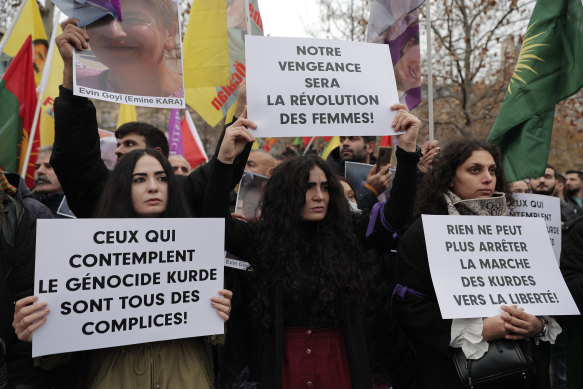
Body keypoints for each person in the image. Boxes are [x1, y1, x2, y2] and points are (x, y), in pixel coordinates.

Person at [203, 105, 421, 388]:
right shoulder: (263, 239)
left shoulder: (350, 231)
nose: (319, 196)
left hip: (339, 364)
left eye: (325, 187)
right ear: (286, 193)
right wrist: (224, 160)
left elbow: (396, 216)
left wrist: (407, 151)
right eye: (308, 187)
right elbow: (213, 225)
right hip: (282, 367)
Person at [12, 149, 232, 388]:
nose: (153, 187)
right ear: (121, 188)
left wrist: (218, 317)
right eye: (139, 179)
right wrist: (38, 332)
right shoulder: (82, 255)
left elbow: (218, 339)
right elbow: (56, 357)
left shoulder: (199, 248)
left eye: (162, 178)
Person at [393, 138, 560, 389]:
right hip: (454, 374)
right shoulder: (424, 232)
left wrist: (537, 325)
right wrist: (480, 329)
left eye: (492, 170)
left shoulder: (519, 232)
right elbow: (409, 306)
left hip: (524, 372)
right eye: (475, 170)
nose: (487, 178)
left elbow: (545, 295)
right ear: (450, 177)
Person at [51, 23, 249, 219]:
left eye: (161, 178)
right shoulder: (102, 196)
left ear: (158, 155)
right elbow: (75, 159)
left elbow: (220, 174)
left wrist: (243, 107)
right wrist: (71, 71)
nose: (118, 150)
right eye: (139, 180)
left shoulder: (184, 193)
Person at [74, 0, 183, 97]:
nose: (113, 32)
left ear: (170, 33)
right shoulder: (74, 81)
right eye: (99, 19)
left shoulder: (194, 96)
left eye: (132, 19)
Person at [32, 145, 66, 217]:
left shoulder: (85, 208)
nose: (39, 171)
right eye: (37, 167)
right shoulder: (19, 206)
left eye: (48, 166)